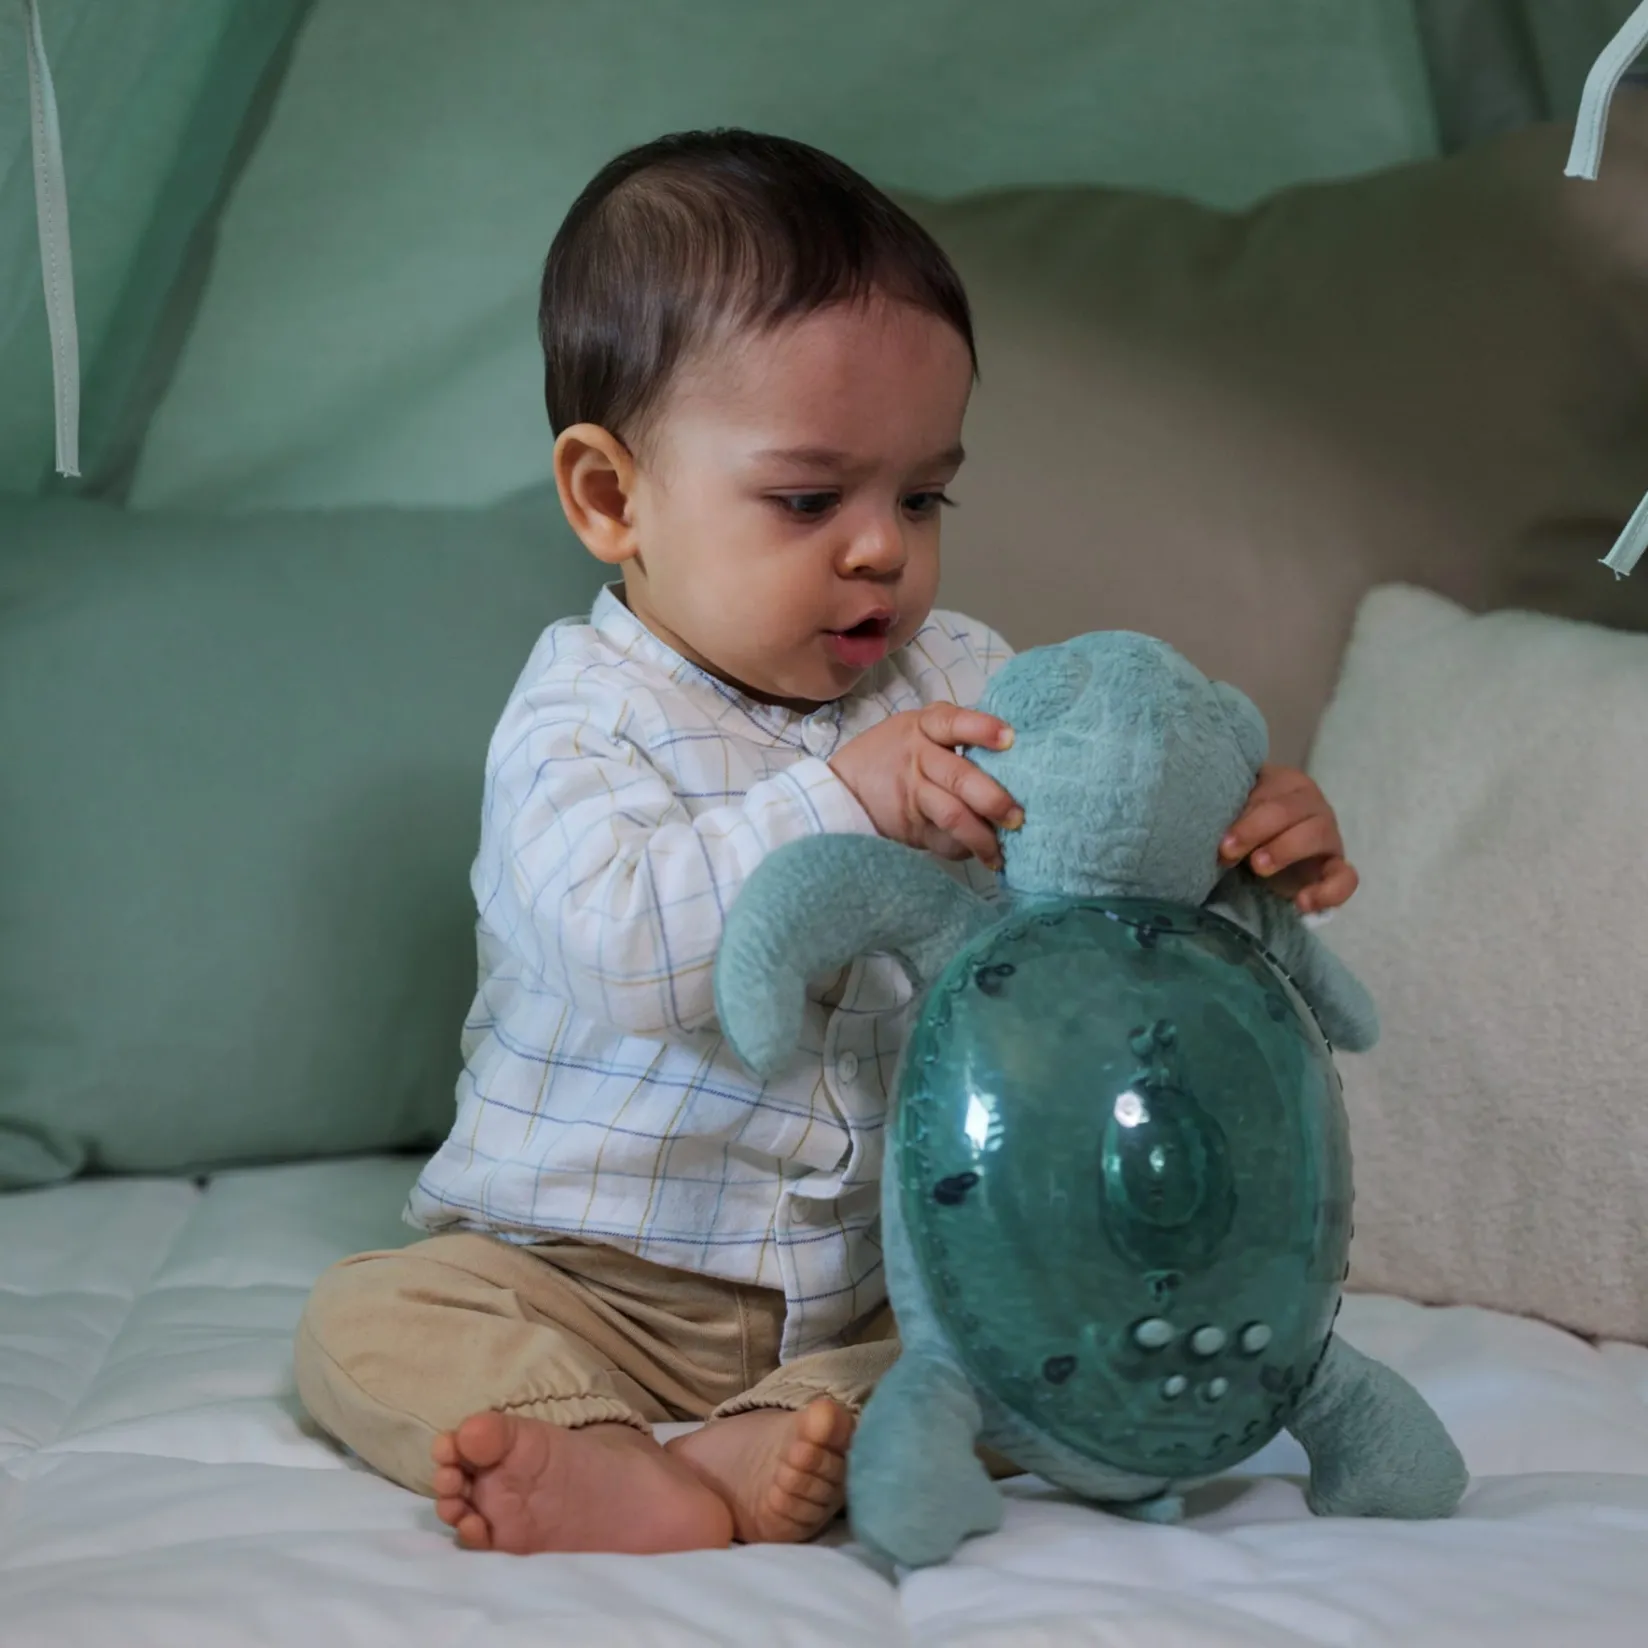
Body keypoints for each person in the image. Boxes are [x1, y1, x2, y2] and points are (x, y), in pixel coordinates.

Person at [293, 128, 1358, 1557]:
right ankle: (591, 1445)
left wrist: (1230, 855)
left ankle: (780, 1437)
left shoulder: (964, 678)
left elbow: (1089, 910)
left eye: (921, 496)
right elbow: (626, 952)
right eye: (809, 500)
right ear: (612, 498)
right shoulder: (578, 717)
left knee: (1033, 1337)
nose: (881, 551)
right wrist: (843, 800)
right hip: (590, 1279)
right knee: (369, 1315)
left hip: (881, 1269)